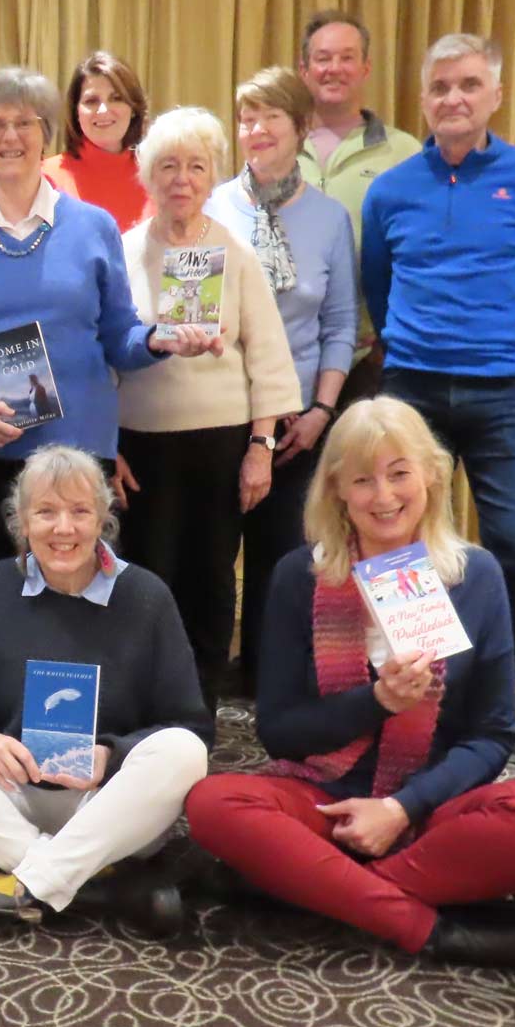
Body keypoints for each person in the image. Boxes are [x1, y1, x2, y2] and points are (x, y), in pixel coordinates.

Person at [182, 397, 515, 979]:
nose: (384, 496)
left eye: (399, 473)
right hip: (322, 800)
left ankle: (313, 884)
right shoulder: (301, 576)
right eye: (362, 480)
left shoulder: (475, 576)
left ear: (432, 474)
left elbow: (492, 735)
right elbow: (279, 734)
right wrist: (376, 702)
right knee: (212, 803)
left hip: (432, 809)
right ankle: (435, 930)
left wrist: (401, 808)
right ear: (337, 490)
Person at [0, 66, 213, 604]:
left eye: (24, 123)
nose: (10, 137)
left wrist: (156, 341)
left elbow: (119, 337)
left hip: (76, 451)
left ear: (45, 132)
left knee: (81, 603)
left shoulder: (93, 227)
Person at [0, 446, 210, 939]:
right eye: (46, 512)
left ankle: (13, 887)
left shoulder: (146, 596)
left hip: (107, 806)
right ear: (21, 521)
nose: (64, 528)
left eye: (80, 511)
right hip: (9, 799)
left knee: (183, 752)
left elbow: (190, 724)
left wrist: (113, 755)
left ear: (102, 518)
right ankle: (90, 884)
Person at [360, 34, 515, 760]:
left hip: (505, 393)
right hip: (413, 391)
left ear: (496, 94)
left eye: (469, 84)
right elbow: (378, 288)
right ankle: (417, 695)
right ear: (423, 99)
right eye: (440, 87)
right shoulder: (391, 189)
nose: (454, 98)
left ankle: (494, 701)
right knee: (400, 547)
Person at [115, 105, 301, 704]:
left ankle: (199, 706)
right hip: (141, 447)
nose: (182, 179)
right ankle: (150, 703)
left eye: (196, 166)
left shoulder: (236, 253)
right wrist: (106, 449)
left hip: (221, 445)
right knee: (147, 576)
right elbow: (103, 356)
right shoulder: (122, 252)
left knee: (212, 577)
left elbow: (268, 358)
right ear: (147, 175)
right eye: (168, 165)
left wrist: (260, 448)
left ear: (212, 174)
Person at [206, 67, 360, 699]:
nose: (257, 130)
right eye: (247, 118)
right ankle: (204, 680)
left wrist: (323, 408)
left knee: (283, 557)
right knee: (213, 557)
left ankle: (268, 681)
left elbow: (341, 323)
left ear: (300, 127)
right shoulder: (212, 207)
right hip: (219, 412)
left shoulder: (329, 218)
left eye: (271, 116)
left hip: (299, 421)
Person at [294, 10, 422, 404]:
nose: (334, 68)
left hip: (374, 359)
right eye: (323, 58)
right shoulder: (275, 148)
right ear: (304, 69)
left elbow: (423, 253)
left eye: (346, 57)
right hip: (288, 357)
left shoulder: (405, 153)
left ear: (366, 67)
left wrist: (389, 341)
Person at [41, 51, 154, 231]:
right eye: (91, 101)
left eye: (116, 98)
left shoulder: (158, 177)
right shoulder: (46, 178)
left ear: (133, 108)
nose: (103, 110)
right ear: (76, 112)